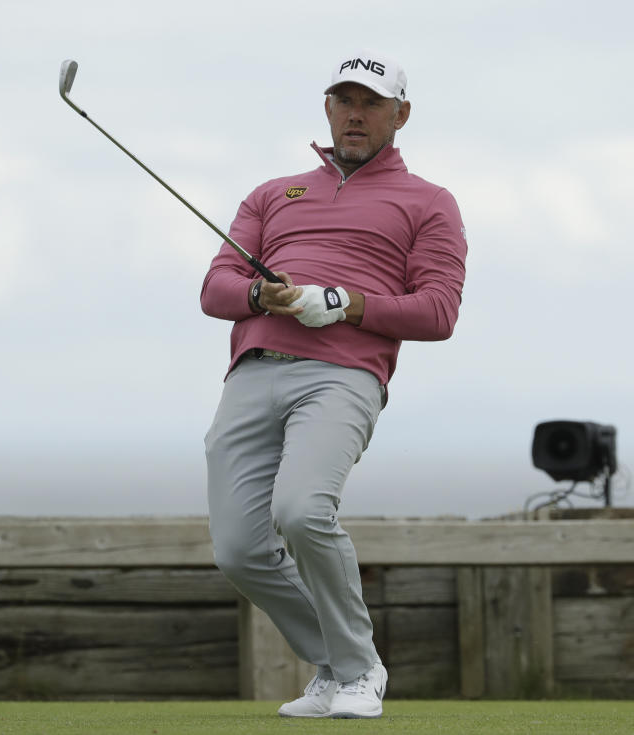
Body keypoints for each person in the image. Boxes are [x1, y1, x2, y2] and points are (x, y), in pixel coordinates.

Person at [200, 49, 467, 719]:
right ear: (327, 107)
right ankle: (340, 666)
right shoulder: (272, 193)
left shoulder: (429, 203)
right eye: (343, 99)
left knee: (300, 510)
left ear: (400, 114)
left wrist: (347, 302)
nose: (355, 113)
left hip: (343, 375)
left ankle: (357, 670)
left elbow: (437, 311)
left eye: (371, 102)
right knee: (238, 548)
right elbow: (215, 288)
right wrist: (265, 293)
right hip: (255, 368)